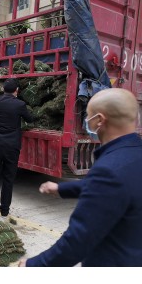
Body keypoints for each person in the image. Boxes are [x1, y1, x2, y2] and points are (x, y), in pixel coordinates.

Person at [19, 88, 142, 267]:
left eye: (88, 117)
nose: (87, 122)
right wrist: (61, 188)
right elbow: (117, 188)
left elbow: (78, 241)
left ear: (99, 120)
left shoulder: (108, 170)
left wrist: (34, 265)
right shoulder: (133, 155)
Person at [0, 78, 34, 219]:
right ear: (16, 91)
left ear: (3, 89)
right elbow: (30, 119)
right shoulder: (20, 105)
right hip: (11, 147)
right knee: (8, 179)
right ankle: (4, 211)